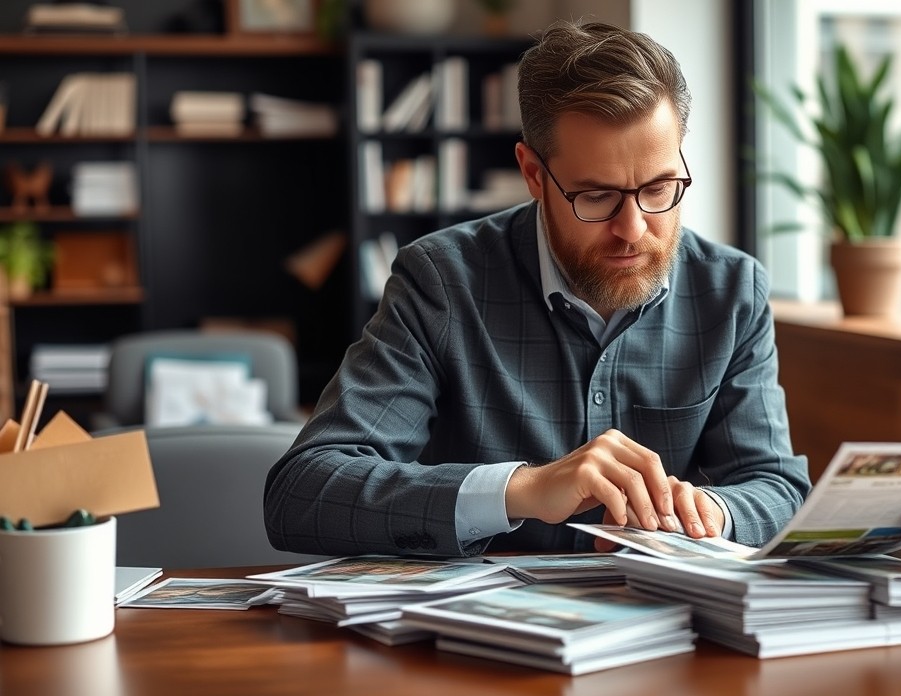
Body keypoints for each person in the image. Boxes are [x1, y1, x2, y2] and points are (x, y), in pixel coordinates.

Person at [264, 20, 811, 559]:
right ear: (533, 174)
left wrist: (709, 512)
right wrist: (522, 490)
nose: (634, 227)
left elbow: (779, 489)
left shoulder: (732, 290)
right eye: (596, 197)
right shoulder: (442, 281)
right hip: (478, 638)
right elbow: (302, 494)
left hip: (661, 626)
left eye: (659, 187)